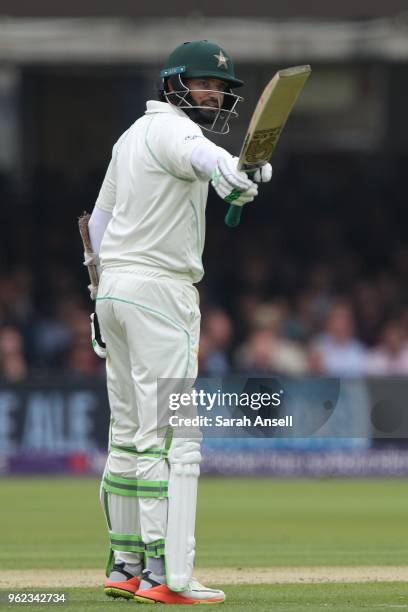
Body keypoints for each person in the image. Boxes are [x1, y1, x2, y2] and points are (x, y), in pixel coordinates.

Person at [84, 40, 272, 605]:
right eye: (203, 83)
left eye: (220, 87)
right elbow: (204, 157)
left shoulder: (130, 138)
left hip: (115, 291)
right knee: (174, 436)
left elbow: (99, 222)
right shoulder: (174, 132)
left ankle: (125, 564)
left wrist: (96, 299)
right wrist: (233, 168)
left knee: (128, 432)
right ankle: (169, 575)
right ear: (173, 84)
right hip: (161, 294)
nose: (214, 94)